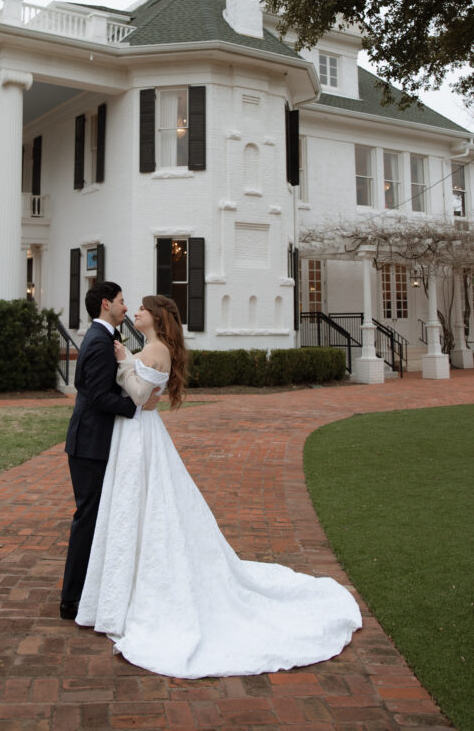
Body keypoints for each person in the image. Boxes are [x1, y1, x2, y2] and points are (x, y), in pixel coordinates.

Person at [75, 294, 362, 679]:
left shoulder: (154, 350)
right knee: (133, 506)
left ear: (156, 317)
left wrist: (125, 361)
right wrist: (129, 358)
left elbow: (142, 399)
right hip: (134, 436)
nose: (136, 312)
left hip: (140, 434)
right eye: (134, 306)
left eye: (141, 309)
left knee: (145, 505)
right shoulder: (151, 347)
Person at [60, 281, 157, 620]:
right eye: (121, 301)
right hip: (90, 444)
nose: (126, 307)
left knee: (94, 518)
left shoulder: (103, 338)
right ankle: (71, 600)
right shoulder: (100, 341)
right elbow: (95, 394)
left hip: (93, 441)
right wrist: (135, 407)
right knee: (87, 520)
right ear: (106, 304)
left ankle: (86, 592)